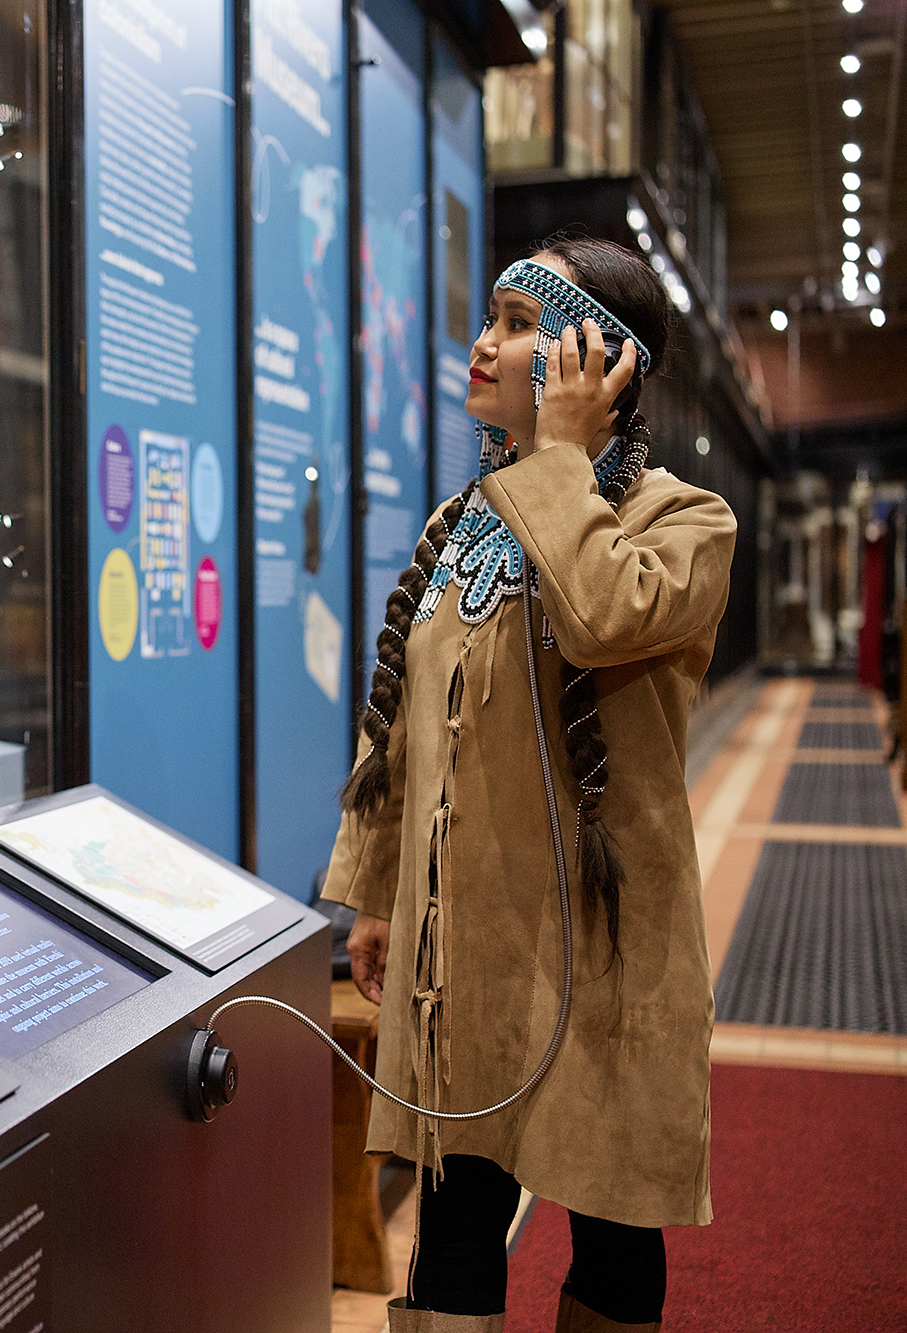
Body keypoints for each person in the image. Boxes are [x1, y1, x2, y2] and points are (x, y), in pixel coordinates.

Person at [321, 233, 735, 1333]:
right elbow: (401, 733)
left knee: (607, 1216)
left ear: (592, 359)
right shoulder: (455, 532)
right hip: (463, 955)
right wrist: (374, 898)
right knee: (453, 1228)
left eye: (514, 321)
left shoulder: (686, 523)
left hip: (603, 954)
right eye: (488, 315)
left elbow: (599, 613)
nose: (481, 341)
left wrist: (560, 458)